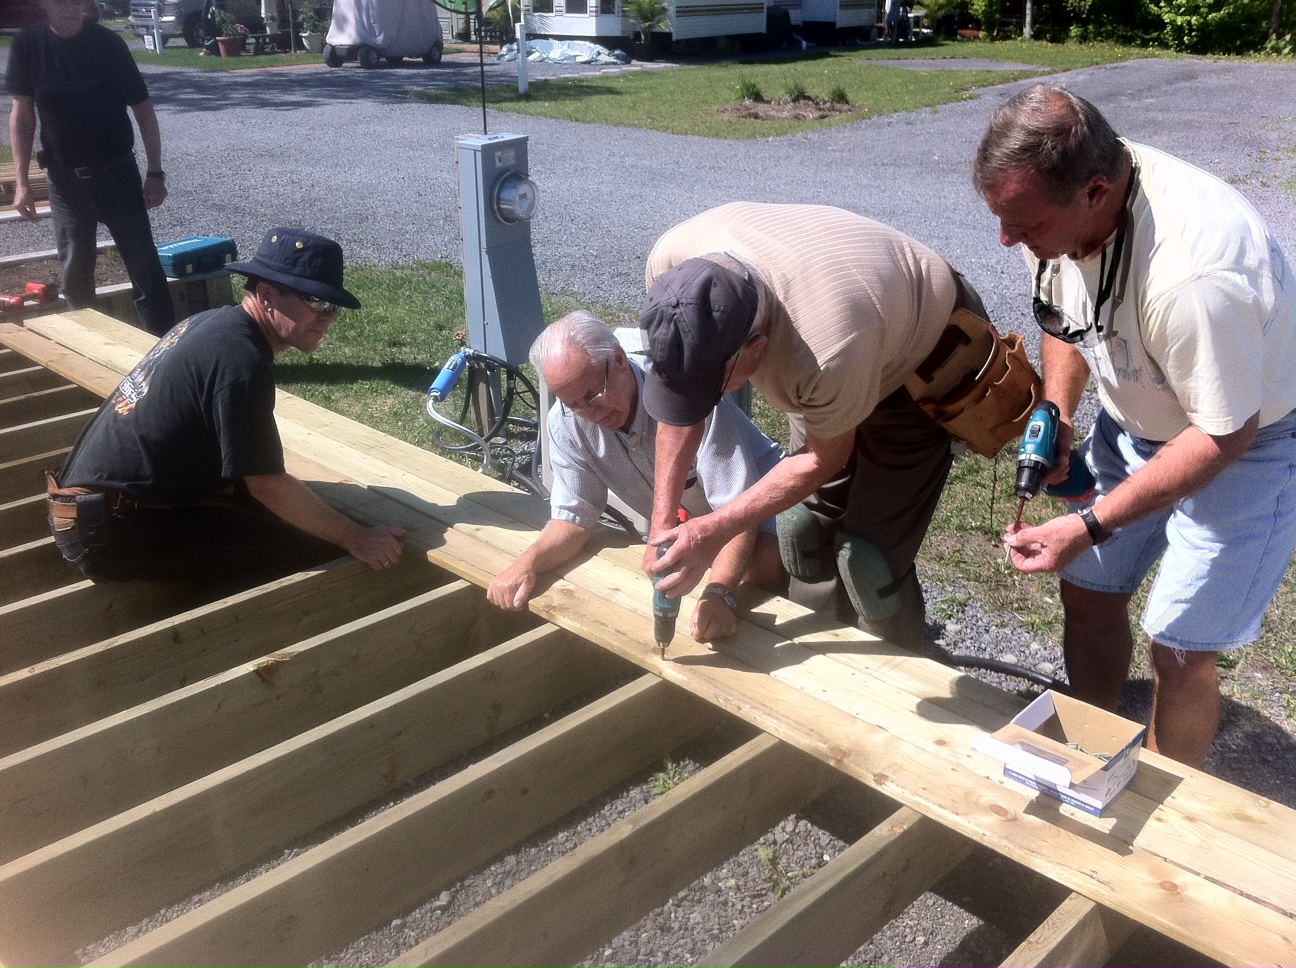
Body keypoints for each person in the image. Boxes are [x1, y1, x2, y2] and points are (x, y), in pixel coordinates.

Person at [974, 85, 1296, 766]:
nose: (1007, 239)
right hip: (1136, 426)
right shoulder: (1057, 209)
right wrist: (1060, 408)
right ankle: (1087, 751)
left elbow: (1223, 434)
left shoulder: (1194, 277)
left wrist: (1088, 524)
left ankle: (1157, 800)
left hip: (1248, 443)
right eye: (1003, 220)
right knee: (1089, 590)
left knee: (1176, 645)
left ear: (1096, 192)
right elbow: (1064, 309)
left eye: (1023, 225)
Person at [637, 203, 1040, 650]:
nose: (703, 400)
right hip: (836, 340)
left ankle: (889, 667)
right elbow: (681, 411)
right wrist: (662, 528)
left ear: (756, 347)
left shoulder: (824, 348)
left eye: (713, 386)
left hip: (923, 357)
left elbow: (824, 457)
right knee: (803, 534)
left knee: (869, 562)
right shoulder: (671, 270)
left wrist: (712, 531)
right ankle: (817, 657)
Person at [46, 226, 408, 591]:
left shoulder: (214, 325)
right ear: (266, 295)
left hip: (101, 512)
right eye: (316, 302)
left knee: (277, 521)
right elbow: (267, 485)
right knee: (296, 553)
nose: (328, 317)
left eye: (333, 306)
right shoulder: (239, 361)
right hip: (108, 532)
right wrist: (356, 537)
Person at [487, 311, 786, 644]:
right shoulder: (566, 423)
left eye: (593, 395)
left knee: (760, 566)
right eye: (574, 404)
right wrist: (528, 563)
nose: (591, 414)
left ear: (618, 359)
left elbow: (739, 512)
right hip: (696, 524)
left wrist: (720, 593)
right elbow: (573, 520)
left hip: (767, 509)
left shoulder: (689, 398)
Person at [7, 0, 176, 336]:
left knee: (146, 272)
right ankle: (88, 351)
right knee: (76, 278)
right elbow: (22, 116)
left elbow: (143, 110)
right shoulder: (28, 45)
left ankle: (164, 353)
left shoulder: (108, 44)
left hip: (118, 176)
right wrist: (22, 182)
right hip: (65, 183)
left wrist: (155, 173)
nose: (70, 7)